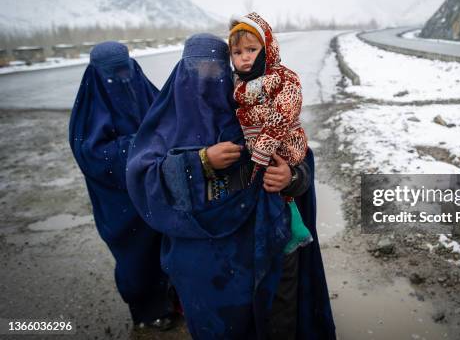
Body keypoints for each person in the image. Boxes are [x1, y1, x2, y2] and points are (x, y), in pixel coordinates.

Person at [126, 33, 335, 339]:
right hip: (197, 260)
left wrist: (291, 178)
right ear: (182, 72)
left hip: (254, 250)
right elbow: (142, 178)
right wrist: (199, 161)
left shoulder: (248, 111)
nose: (206, 80)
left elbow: (298, 155)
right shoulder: (166, 123)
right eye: (197, 71)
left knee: (266, 320)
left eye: (215, 70)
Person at [68, 41, 176, 330]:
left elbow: (167, 121)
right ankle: (146, 310)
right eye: (113, 74)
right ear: (97, 74)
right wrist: (141, 146)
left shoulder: (142, 88)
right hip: (119, 201)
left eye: (124, 70)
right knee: (135, 256)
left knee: (166, 244)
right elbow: (91, 153)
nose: (122, 79)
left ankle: (170, 296)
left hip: (153, 190)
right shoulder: (89, 106)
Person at [228, 12, 312, 254]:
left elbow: (283, 114)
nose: (244, 58)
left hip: (284, 145)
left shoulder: (283, 77)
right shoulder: (237, 87)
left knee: (279, 192)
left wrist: (262, 151)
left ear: (267, 49)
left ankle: (293, 231)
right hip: (257, 151)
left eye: (251, 50)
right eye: (237, 53)